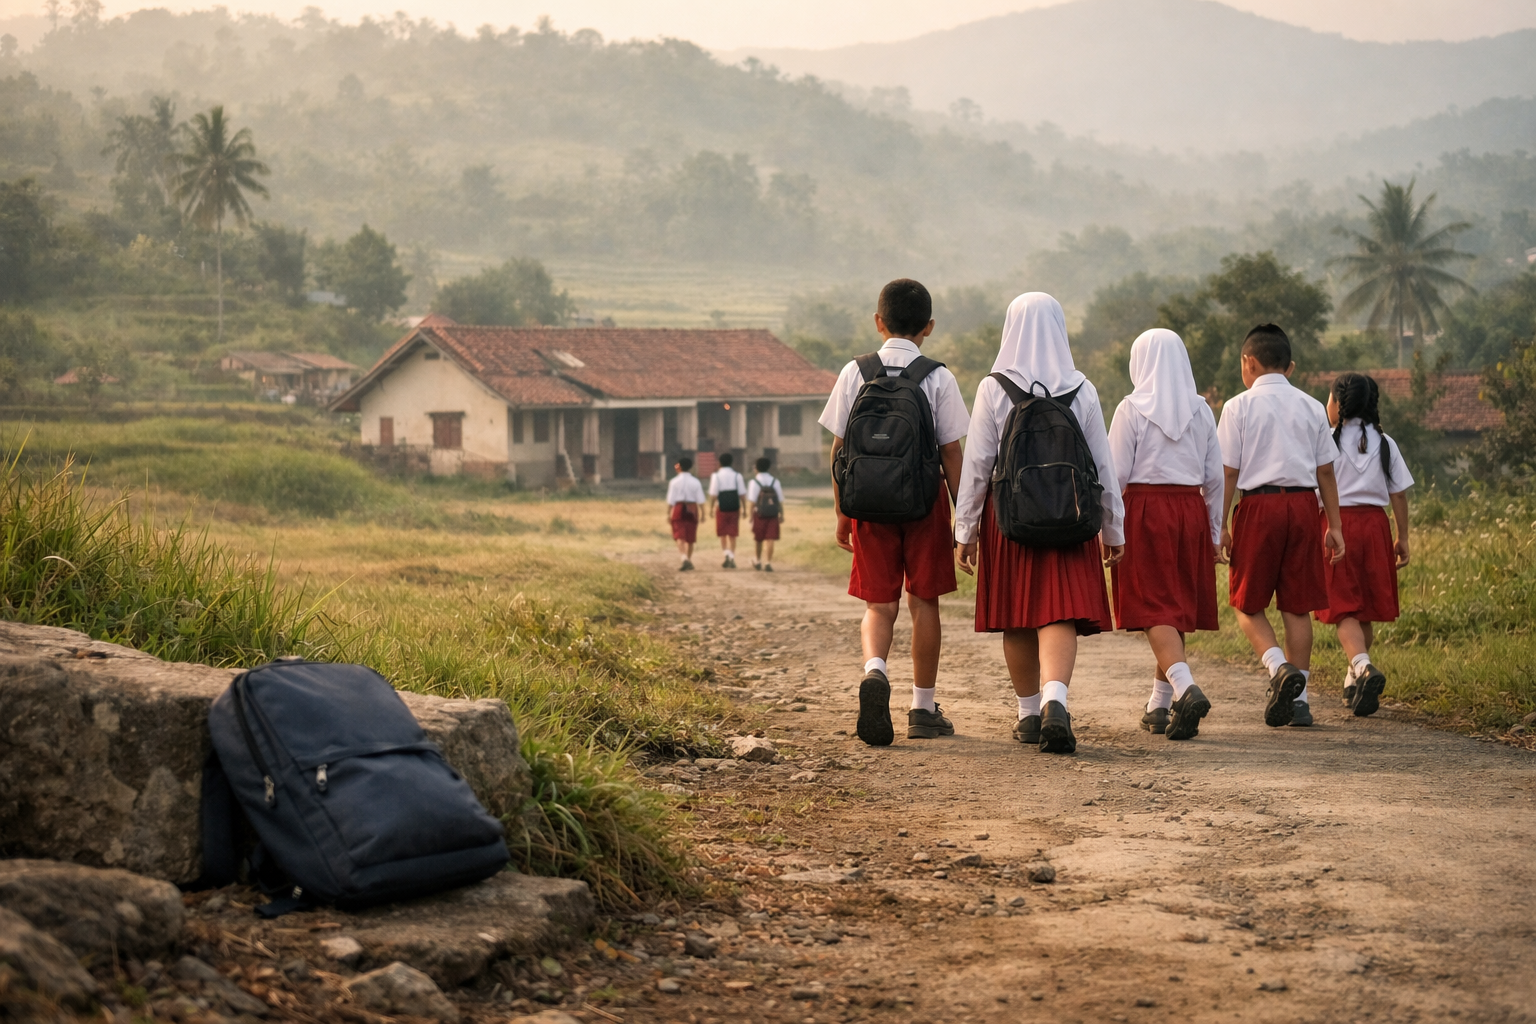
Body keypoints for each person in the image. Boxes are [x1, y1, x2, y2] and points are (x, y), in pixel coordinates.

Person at [954, 292, 1125, 755]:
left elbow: (977, 466)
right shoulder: (1081, 388)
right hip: (1070, 516)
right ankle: (1056, 700)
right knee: (1059, 610)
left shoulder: (994, 387)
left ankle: (1030, 714)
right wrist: (1114, 527)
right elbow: (1102, 466)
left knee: (1018, 614)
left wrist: (964, 530)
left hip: (1010, 518)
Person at [820, 278, 969, 746]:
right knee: (924, 602)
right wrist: (964, 521)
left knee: (878, 604)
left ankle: (875, 672)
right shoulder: (938, 376)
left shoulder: (854, 372)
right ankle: (923, 708)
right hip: (924, 505)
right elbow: (952, 454)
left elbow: (838, 450)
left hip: (867, 503)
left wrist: (844, 510)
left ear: (878, 322)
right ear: (928, 327)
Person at [1216, 324, 1345, 728]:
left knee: (1246, 603)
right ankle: (1300, 700)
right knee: (1297, 606)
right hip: (1305, 507)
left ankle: (1277, 667)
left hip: (1259, 507)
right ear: (1289, 366)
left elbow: (1229, 474)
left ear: (1248, 363)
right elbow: (1326, 472)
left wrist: (1219, 524)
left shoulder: (1238, 407)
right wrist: (1335, 526)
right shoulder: (1310, 406)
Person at [1107, 329, 1224, 741]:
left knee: (1152, 605)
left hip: (1144, 510)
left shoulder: (1131, 408)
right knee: (1174, 605)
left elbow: (1114, 475)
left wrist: (1110, 526)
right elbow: (1214, 478)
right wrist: (1213, 533)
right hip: (1190, 510)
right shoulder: (1202, 410)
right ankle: (1159, 704)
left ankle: (1184, 687)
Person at [1318, 372, 1413, 718]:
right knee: (1366, 608)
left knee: (1342, 606)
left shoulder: (1327, 440)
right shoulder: (1385, 443)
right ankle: (1353, 679)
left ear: (1338, 404)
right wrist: (1402, 536)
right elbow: (1398, 493)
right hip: (1375, 527)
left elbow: (1316, 490)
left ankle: (1362, 666)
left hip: (1336, 526)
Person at [707, 452, 747, 569]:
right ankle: (732, 557)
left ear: (719, 463)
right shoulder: (737, 476)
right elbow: (742, 495)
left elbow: (713, 495)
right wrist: (744, 509)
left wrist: (711, 509)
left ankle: (726, 555)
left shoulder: (716, 476)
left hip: (721, 508)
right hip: (735, 508)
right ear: (731, 462)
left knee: (723, 533)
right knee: (733, 534)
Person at [746, 456, 785, 572]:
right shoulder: (775, 481)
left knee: (758, 539)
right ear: (769, 468)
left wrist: (750, 517)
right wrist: (781, 514)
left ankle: (758, 561)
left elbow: (752, 502)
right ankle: (768, 562)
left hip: (760, 513)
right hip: (773, 513)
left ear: (756, 468)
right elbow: (779, 500)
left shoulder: (754, 482)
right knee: (770, 538)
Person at [666, 457, 705, 572]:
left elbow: (671, 500)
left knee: (679, 535)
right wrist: (703, 514)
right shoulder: (696, 481)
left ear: (679, 466)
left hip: (679, 507)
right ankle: (688, 559)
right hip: (692, 508)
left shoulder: (674, 481)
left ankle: (684, 558)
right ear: (691, 468)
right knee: (690, 536)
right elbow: (701, 500)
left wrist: (668, 513)